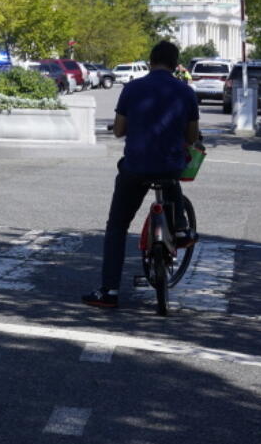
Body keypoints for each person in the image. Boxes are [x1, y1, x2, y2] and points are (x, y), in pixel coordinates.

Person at [83, 41, 200, 309]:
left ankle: (109, 291)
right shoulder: (185, 92)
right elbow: (192, 136)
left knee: (117, 227)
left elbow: (119, 131)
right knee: (172, 176)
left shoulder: (132, 89)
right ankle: (180, 227)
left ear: (151, 61)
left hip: (136, 166)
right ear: (175, 63)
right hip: (170, 166)